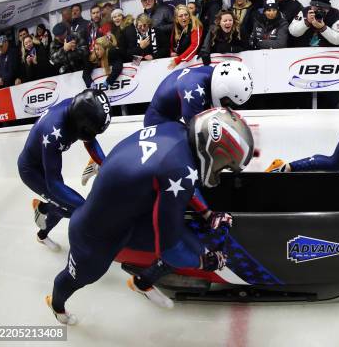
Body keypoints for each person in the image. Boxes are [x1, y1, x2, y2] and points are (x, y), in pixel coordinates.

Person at [47, 108, 254, 325]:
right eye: (223, 165)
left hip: (127, 213)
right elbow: (171, 250)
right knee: (81, 277)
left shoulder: (175, 129)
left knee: (193, 240)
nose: (221, 172)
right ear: (212, 152)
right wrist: (204, 262)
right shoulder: (179, 170)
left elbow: (177, 175)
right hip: (96, 234)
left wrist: (208, 214)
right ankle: (56, 306)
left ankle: (142, 282)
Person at [17, 89, 110, 252]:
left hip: (44, 162)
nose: (91, 134)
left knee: (67, 207)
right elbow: (53, 184)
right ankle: (42, 227)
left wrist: (105, 164)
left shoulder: (76, 108)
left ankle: (44, 210)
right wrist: (88, 207)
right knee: (70, 209)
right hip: (31, 171)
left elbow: (89, 138)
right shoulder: (54, 133)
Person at [143, 61, 253, 127]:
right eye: (227, 102)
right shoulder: (194, 90)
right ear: (222, 88)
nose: (228, 106)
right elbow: (196, 130)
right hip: (157, 121)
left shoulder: (210, 72)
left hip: (169, 115)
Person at [168, 4, 204, 70]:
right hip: (182, 63)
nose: (184, 18)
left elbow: (195, 46)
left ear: (189, 16)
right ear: (176, 19)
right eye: (180, 16)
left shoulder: (195, 25)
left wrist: (178, 60)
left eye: (186, 15)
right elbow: (172, 45)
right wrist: (172, 52)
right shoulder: (175, 28)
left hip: (196, 63)